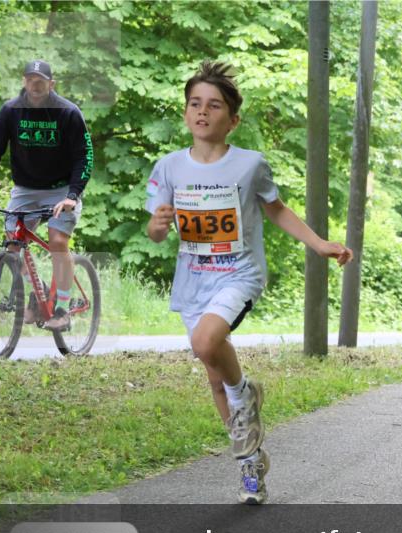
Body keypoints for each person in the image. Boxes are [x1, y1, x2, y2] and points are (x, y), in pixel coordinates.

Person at [145, 61, 352, 504]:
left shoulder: (249, 164)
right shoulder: (168, 168)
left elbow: (276, 209)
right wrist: (159, 225)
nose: (202, 112)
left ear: (232, 120)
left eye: (214, 105)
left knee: (206, 344)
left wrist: (319, 244)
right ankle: (250, 465)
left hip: (238, 274)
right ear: (185, 114)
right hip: (192, 280)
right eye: (195, 104)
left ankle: (246, 393)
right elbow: (156, 231)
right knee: (214, 376)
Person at [0, 60, 93, 330]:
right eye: (30, 80)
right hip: (25, 190)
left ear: (51, 84)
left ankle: (62, 308)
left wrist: (73, 195)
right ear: (24, 82)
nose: (35, 86)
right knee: (14, 246)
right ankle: (37, 295)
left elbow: (84, 157)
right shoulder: (11, 111)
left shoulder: (68, 113)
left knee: (57, 241)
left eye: (41, 81)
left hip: (61, 190)